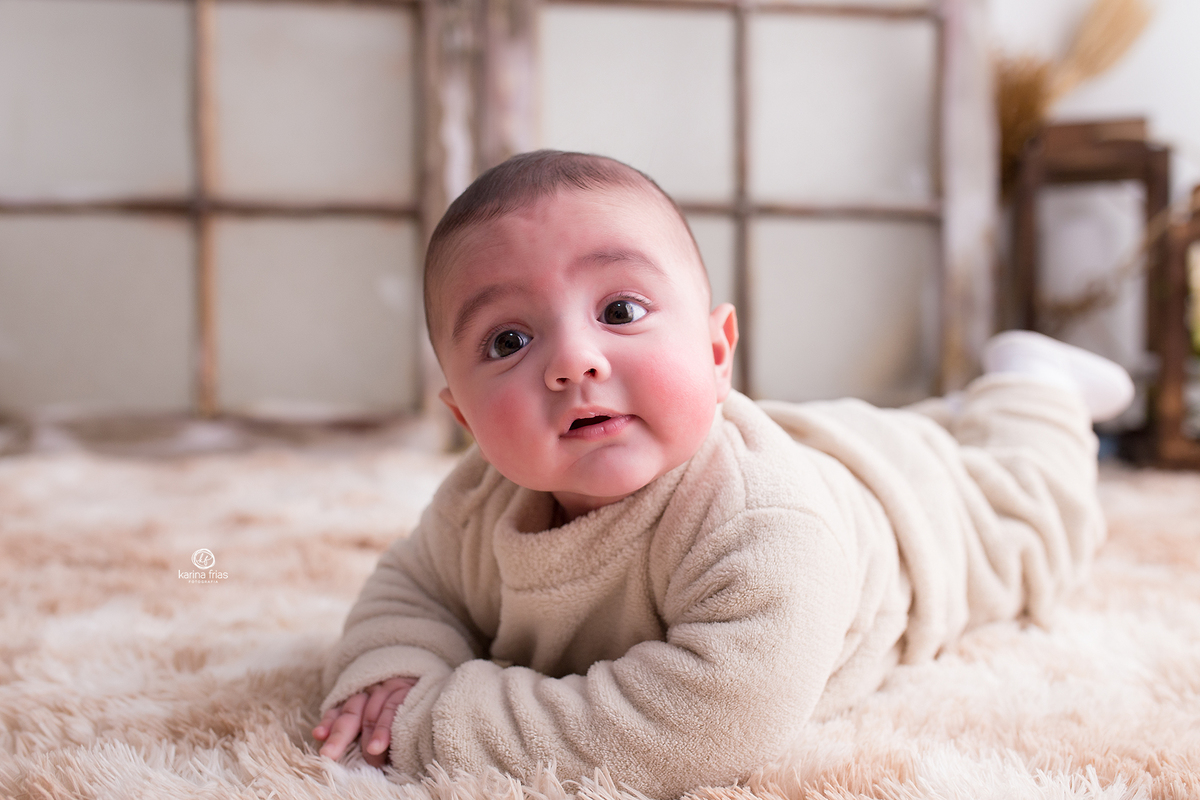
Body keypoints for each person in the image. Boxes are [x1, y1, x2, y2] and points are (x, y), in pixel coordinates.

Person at [312, 150, 1134, 797]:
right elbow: (409, 589)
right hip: (816, 446)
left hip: (913, 512)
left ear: (715, 352)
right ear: (464, 419)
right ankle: (957, 410)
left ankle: (1033, 384)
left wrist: (434, 720)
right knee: (927, 436)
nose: (574, 361)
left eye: (621, 311)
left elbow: (701, 726)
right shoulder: (475, 509)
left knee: (1036, 524)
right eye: (507, 341)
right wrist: (390, 670)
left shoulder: (763, 529)